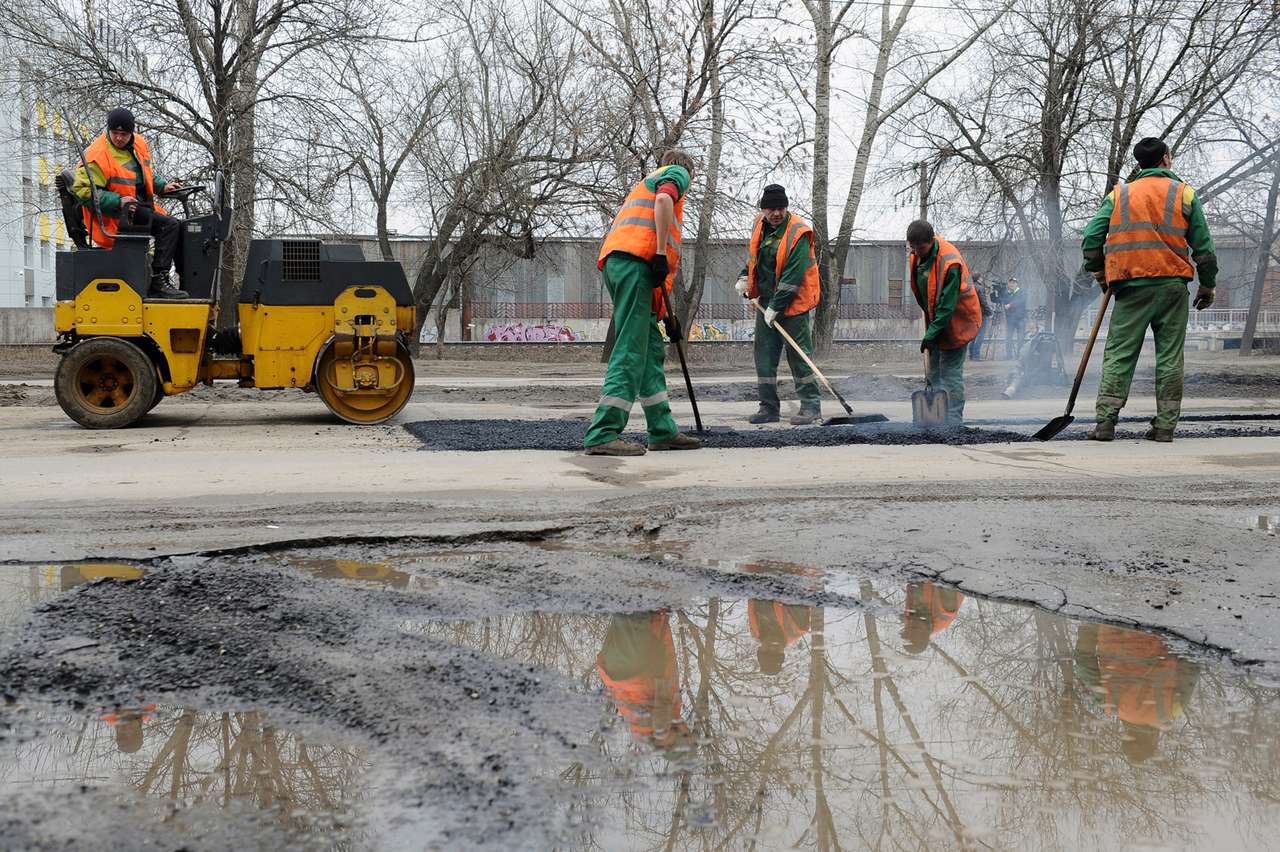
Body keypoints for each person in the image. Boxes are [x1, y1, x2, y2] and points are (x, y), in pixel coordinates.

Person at [1082, 137, 1218, 442]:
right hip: (1172, 288)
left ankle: (1105, 424)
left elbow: (1090, 239)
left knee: (1119, 355)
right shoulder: (1184, 193)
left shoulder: (1119, 195)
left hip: (1130, 288)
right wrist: (1207, 285)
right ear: (1166, 159)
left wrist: (1101, 275)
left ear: (1139, 164)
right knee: (1170, 357)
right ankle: (1165, 427)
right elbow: (1205, 250)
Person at [584, 150, 703, 456]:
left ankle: (662, 431)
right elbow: (664, 202)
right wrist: (662, 252)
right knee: (631, 348)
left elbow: (654, 277)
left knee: (650, 349)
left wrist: (666, 318)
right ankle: (603, 432)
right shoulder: (677, 173)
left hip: (625, 265)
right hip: (633, 264)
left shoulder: (645, 185)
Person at [72, 107, 188, 299]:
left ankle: (179, 279)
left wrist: (162, 186)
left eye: (123, 134)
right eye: (115, 133)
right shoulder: (97, 155)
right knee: (169, 226)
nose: (119, 138)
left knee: (183, 227)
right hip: (118, 216)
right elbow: (83, 191)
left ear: (131, 133)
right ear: (108, 130)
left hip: (138, 208)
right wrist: (118, 201)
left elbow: (142, 174)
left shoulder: (139, 144)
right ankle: (159, 280)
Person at [733, 184, 823, 424]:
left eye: (781, 208)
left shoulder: (799, 232)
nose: (776, 213)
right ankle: (768, 408)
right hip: (766, 302)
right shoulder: (759, 226)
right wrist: (744, 277)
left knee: (798, 356)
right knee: (764, 356)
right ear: (763, 209)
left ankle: (811, 407)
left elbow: (792, 276)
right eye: (771, 208)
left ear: (786, 207)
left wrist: (776, 307)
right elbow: (755, 258)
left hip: (794, 304)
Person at [1073, 623, 1199, 764]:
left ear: (1153, 740)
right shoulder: (1109, 704)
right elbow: (1084, 665)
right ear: (1126, 735)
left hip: (1162, 629)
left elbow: (1191, 664)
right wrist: (1090, 628)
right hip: (1114, 625)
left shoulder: (1171, 710)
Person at [907, 220, 983, 425]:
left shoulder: (950, 262)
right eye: (912, 247)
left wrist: (931, 334)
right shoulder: (917, 255)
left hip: (960, 320)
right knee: (933, 371)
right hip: (937, 320)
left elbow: (947, 306)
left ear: (931, 241)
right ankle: (935, 419)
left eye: (920, 247)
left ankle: (953, 420)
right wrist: (932, 328)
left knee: (950, 372)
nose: (916, 252)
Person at [596, 611, 692, 752]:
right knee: (627, 604)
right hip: (621, 666)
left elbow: (659, 711)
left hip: (633, 666)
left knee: (632, 601)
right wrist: (660, 618)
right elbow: (665, 661)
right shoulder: (670, 715)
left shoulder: (659, 728)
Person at [748, 598, 812, 674]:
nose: (772, 648)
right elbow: (800, 594)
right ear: (782, 653)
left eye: (767, 651)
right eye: (776, 652)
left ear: (760, 649)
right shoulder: (798, 628)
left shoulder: (755, 631)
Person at [900, 581, 964, 655]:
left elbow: (912, 584)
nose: (910, 624)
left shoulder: (909, 618)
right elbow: (948, 580)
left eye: (906, 630)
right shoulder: (943, 614)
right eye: (914, 629)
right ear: (925, 636)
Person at [968, 272, 994, 361]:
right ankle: (976, 356)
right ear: (978, 278)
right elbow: (983, 302)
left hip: (972, 313)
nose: (982, 279)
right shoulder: (980, 288)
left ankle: (971, 355)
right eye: (981, 277)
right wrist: (990, 312)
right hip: (981, 314)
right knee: (980, 334)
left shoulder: (970, 287)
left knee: (974, 334)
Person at [1003, 277, 1027, 359]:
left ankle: (1019, 356)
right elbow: (1004, 303)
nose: (1012, 284)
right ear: (1008, 284)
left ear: (1017, 284)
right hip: (1010, 319)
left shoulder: (1022, 292)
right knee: (1008, 337)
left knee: (1021, 338)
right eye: (1011, 283)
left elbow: (1021, 301)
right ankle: (1009, 356)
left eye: (1014, 283)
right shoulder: (1007, 293)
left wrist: (1010, 305)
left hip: (1020, 319)